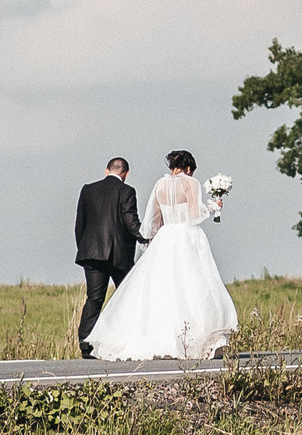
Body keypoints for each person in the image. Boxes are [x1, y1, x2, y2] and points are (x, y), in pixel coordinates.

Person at [88, 149, 239, 360]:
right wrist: (213, 207)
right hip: (186, 235)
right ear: (188, 168)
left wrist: (151, 243)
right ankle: (193, 339)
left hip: (166, 238)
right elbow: (195, 215)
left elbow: (154, 221)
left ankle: (161, 339)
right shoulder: (190, 183)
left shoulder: (159, 185)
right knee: (193, 285)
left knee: (163, 289)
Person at [73, 156, 144, 359]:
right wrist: (145, 237)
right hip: (118, 255)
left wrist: (85, 249)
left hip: (91, 253)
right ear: (126, 174)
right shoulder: (127, 191)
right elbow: (130, 220)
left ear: (106, 170)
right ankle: (123, 340)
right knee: (126, 296)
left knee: (94, 297)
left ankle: (85, 342)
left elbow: (80, 224)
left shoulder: (87, 189)